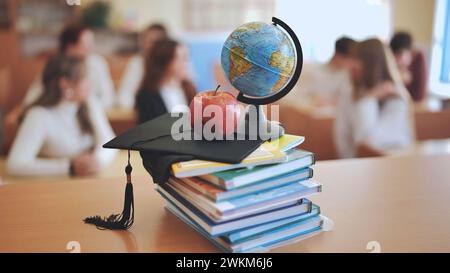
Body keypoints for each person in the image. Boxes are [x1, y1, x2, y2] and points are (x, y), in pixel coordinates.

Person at [6, 55, 117, 177]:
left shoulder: (89, 104)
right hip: (53, 186)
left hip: (88, 182)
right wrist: (70, 168)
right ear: (65, 84)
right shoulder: (39, 115)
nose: (90, 83)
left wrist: (97, 161)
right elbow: (15, 165)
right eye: (84, 78)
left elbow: (110, 141)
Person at [5, 23, 115, 127]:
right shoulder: (55, 68)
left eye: (91, 43)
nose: (91, 48)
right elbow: (33, 97)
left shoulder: (97, 64)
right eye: (86, 45)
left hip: (89, 119)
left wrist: (86, 108)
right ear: (70, 47)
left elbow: (108, 97)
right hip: (59, 120)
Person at [334, 38, 415, 158]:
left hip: (391, 163)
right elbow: (341, 135)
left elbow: (368, 141)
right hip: (355, 164)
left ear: (371, 64)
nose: (350, 64)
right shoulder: (350, 89)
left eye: (356, 59)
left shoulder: (395, 95)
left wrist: (368, 100)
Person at [282, 37, 356, 111]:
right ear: (338, 56)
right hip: (308, 116)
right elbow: (293, 99)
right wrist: (312, 101)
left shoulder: (347, 76)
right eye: (350, 59)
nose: (351, 64)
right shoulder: (312, 71)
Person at [135, 39, 196, 123]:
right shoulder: (147, 96)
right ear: (166, 61)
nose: (186, 64)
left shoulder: (190, 90)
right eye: (183, 58)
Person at [117, 24, 169, 108]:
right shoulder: (137, 63)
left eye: (153, 42)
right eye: (145, 41)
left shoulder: (173, 64)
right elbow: (123, 96)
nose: (148, 46)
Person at [390, 31, 428, 102]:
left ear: (411, 52)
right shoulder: (394, 63)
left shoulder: (419, 58)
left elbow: (419, 96)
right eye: (394, 56)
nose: (397, 61)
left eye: (400, 55)